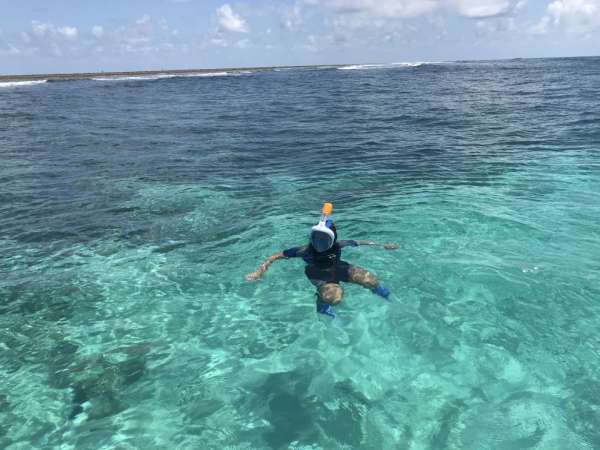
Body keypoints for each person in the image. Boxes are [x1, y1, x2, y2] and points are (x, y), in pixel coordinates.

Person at [245, 203, 399, 317]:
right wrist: (259, 272)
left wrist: (383, 245)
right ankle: (326, 313)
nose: (319, 245)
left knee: (370, 279)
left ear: (332, 240)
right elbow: (275, 256)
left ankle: (388, 298)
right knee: (333, 297)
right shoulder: (304, 250)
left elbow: (360, 242)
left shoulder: (338, 245)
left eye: (324, 241)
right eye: (316, 240)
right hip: (318, 275)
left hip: (339, 268)